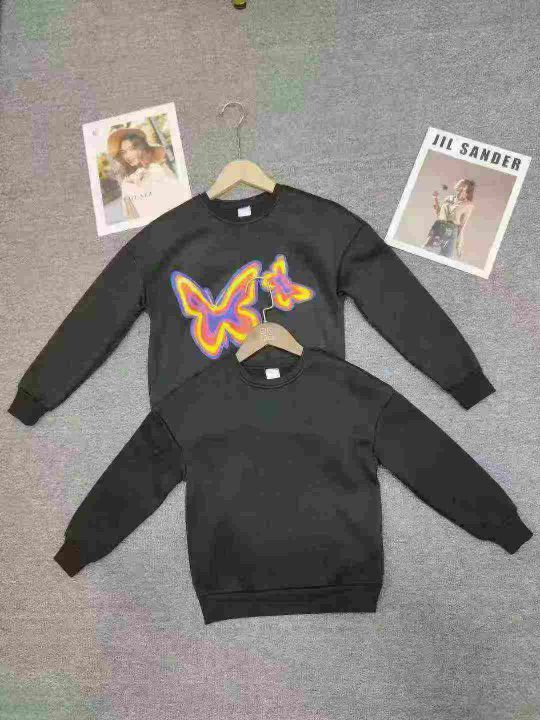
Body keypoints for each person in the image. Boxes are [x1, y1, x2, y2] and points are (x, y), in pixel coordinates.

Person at [106, 127, 179, 220]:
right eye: (123, 152)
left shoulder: (157, 170)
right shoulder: (127, 183)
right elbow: (132, 217)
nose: (127, 156)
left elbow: (176, 197)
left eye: (132, 149)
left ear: (142, 148)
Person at [424, 178, 475, 259]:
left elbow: (462, 226)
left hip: (451, 232)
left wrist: (459, 244)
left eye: (462, 183)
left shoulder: (468, 205)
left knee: (444, 259)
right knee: (426, 252)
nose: (458, 183)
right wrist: (435, 199)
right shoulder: (448, 198)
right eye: (459, 182)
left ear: (466, 188)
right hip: (439, 227)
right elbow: (439, 215)